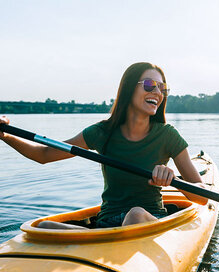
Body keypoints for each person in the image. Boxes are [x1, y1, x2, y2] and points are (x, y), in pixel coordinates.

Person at [0, 62, 207, 229]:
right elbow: (44, 154)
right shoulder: (101, 133)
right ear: (128, 88)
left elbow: (202, 196)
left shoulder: (167, 135)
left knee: (134, 214)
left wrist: (171, 178)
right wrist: (6, 136)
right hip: (106, 223)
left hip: (147, 220)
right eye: (149, 85)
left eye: (162, 88)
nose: (158, 93)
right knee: (44, 226)